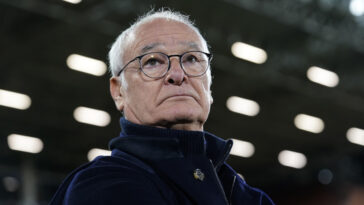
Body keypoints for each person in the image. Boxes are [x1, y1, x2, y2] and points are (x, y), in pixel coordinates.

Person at [49, 9, 275, 205]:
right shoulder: (102, 185)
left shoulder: (245, 194)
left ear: (209, 86)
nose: (178, 74)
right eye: (153, 61)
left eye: (192, 59)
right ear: (119, 92)